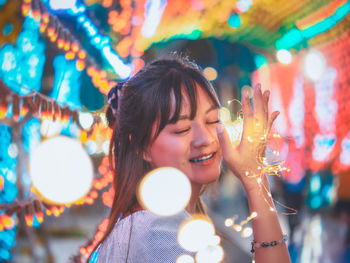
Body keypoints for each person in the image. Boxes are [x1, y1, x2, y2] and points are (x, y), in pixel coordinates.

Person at [89, 55, 291, 263]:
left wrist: (255, 176)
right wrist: (255, 182)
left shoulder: (160, 223)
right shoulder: (157, 231)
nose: (205, 138)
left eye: (212, 120)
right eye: (182, 129)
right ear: (141, 146)